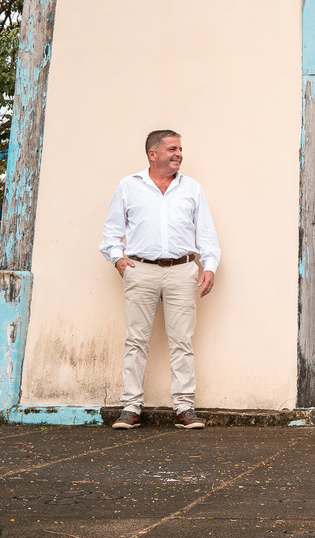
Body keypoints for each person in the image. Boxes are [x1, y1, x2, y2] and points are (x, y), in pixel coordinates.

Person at [99, 130, 219, 429]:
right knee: (136, 340)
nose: (179, 154)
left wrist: (209, 266)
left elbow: (205, 233)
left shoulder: (192, 188)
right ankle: (131, 407)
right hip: (141, 270)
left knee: (182, 340)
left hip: (182, 270)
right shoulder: (129, 186)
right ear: (153, 154)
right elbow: (111, 232)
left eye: (180, 149)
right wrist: (118, 259)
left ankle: (184, 408)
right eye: (172, 149)